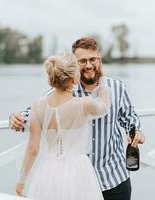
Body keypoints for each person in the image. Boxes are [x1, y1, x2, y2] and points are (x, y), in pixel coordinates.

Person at [10, 37, 145, 200]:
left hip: (114, 178)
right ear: (74, 64)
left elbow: (129, 116)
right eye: (82, 61)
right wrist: (15, 118)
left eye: (92, 59)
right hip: (75, 184)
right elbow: (33, 113)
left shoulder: (117, 87)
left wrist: (135, 130)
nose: (88, 65)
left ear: (99, 59)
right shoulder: (64, 90)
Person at [15, 53, 110, 200]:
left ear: (50, 78)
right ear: (74, 78)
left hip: (47, 171)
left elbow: (33, 149)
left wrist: (21, 180)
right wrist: (101, 78)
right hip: (77, 171)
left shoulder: (38, 105)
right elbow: (104, 107)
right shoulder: (84, 104)